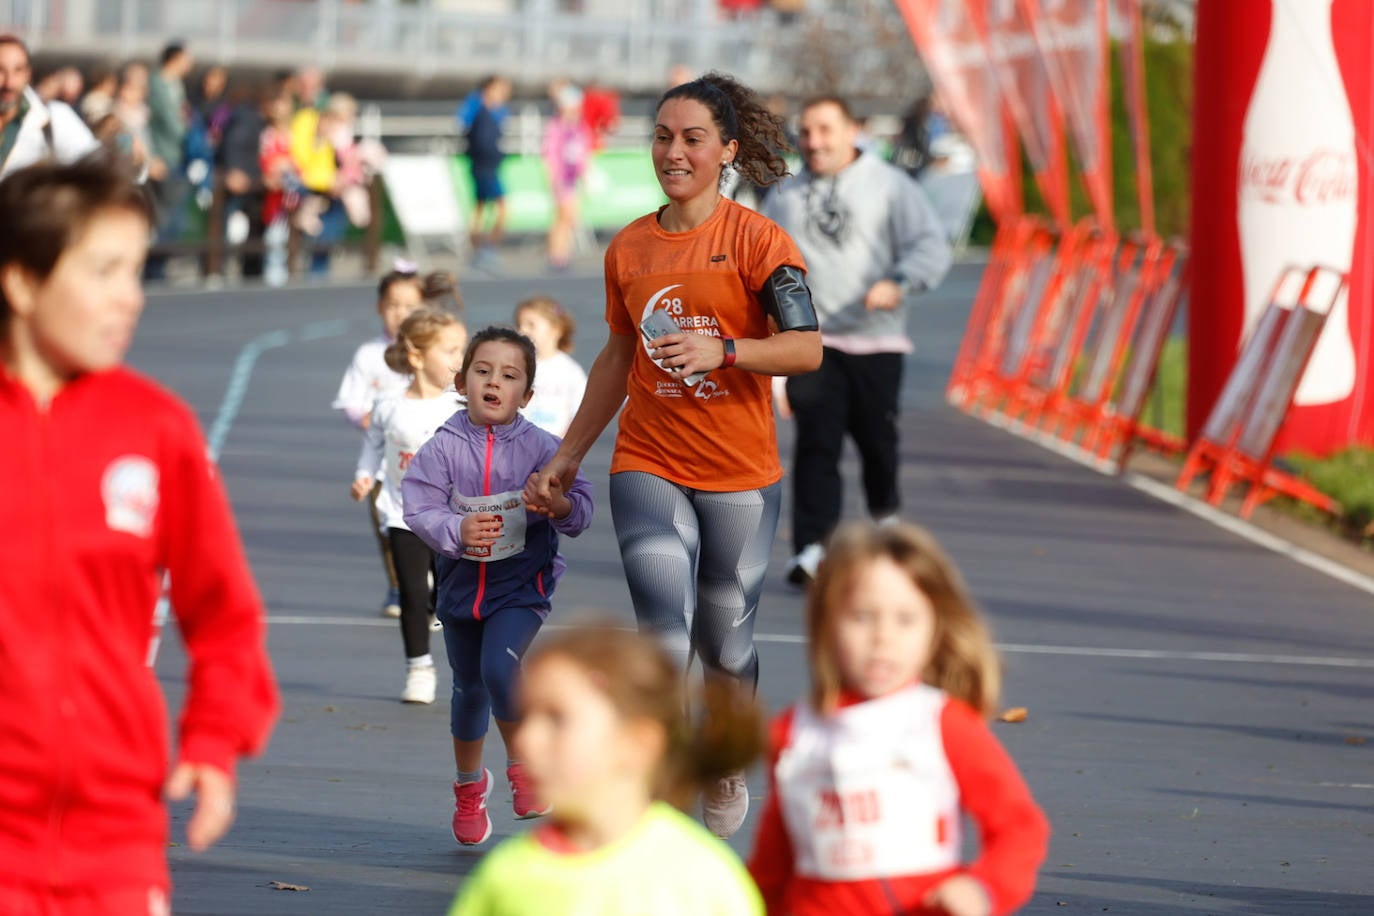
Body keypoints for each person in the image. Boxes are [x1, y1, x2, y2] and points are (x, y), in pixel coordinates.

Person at [524, 72, 822, 839]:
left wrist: (725, 349)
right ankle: (652, 790)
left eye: (692, 138)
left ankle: (721, 760)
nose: (673, 151)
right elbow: (618, 361)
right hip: (648, 463)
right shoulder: (629, 247)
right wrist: (567, 454)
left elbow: (806, 348)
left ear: (726, 149)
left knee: (726, 642)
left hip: (740, 476)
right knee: (661, 636)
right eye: (662, 136)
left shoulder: (760, 242)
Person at [0, 156, 279, 911]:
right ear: (22, 282)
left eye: (136, 272)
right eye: (104, 271)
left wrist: (215, 742)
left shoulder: (155, 428)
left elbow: (223, 613)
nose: (131, 298)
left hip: (116, 838)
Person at [747, 521, 1050, 915]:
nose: (883, 637)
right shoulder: (793, 732)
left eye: (905, 619)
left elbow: (1018, 826)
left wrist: (983, 888)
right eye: (862, 616)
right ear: (826, 624)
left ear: (934, 631)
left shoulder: (943, 724)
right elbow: (776, 857)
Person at [402, 327, 594, 846]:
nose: (494, 382)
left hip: (520, 587)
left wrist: (558, 506)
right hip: (461, 590)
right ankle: (469, 785)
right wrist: (455, 530)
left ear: (526, 395)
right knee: (468, 690)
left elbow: (582, 508)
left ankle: (524, 767)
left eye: (509, 376)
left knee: (499, 667)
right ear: (462, 381)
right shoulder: (442, 448)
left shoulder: (542, 449)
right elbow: (418, 508)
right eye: (483, 371)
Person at [762, 96, 952, 586]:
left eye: (825, 130)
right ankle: (812, 549)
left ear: (852, 131)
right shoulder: (785, 194)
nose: (814, 142)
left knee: (877, 442)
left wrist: (901, 282)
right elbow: (762, 267)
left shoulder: (890, 187)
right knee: (816, 446)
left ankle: (885, 522)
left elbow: (929, 245)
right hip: (813, 344)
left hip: (876, 341)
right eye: (806, 131)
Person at [448, 625, 765, 916]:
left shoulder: (703, 880)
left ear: (636, 743)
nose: (527, 739)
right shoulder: (505, 877)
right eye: (527, 716)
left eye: (557, 719)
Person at [352, 309, 467, 705]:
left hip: (453, 518)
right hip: (402, 514)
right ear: (417, 356)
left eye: (463, 349)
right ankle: (418, 668)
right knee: (413, 593)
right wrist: (365, 476)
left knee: (450, 595)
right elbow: (373, 447)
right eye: (451, 350)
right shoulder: (388, 405)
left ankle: (464, 660)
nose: (461, 358)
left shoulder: (461, 407)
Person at [334, 267, 427, 617]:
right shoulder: (368, 356)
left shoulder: (432, 352)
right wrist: (364, 418)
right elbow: (349, 400)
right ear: (379, 308)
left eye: (409, 305)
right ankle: (398, 586)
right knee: (389, 526)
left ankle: (432, 581)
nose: (400, 313)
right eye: (392, 305)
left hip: (429, 457)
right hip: (382, 461)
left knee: (433, 522)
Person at [0, 35, 98, 179]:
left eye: (18, 70)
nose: (10, 83)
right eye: (0, 70)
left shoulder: (54, 120)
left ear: (28, 74)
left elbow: (99, 167)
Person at [144, 40, 194, 280]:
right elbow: (168, 123)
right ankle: (153, 273)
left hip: (176, 157)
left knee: (175, 220)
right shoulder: (157, 84)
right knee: (163, 219)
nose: (190, 64)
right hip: (161, 159)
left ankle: (160, 272)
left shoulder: (177, 85)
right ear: (174, 59)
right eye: (187, 59)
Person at [515, 295, 586, 437]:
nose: (522, 330)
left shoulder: (570, 371)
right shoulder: (516, 365)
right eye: (519, 324)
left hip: (555, 446)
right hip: (519, 444)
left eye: (531, 325)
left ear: (556, 329)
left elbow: (580, 414)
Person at [463, 75, 511, 272]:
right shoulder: (478, 108)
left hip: (490, 165)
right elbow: (471, 134)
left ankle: (482, 250)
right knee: (496, 208)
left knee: (482, 208)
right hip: (483, 166)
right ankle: (483, 250)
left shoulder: (497, 111)